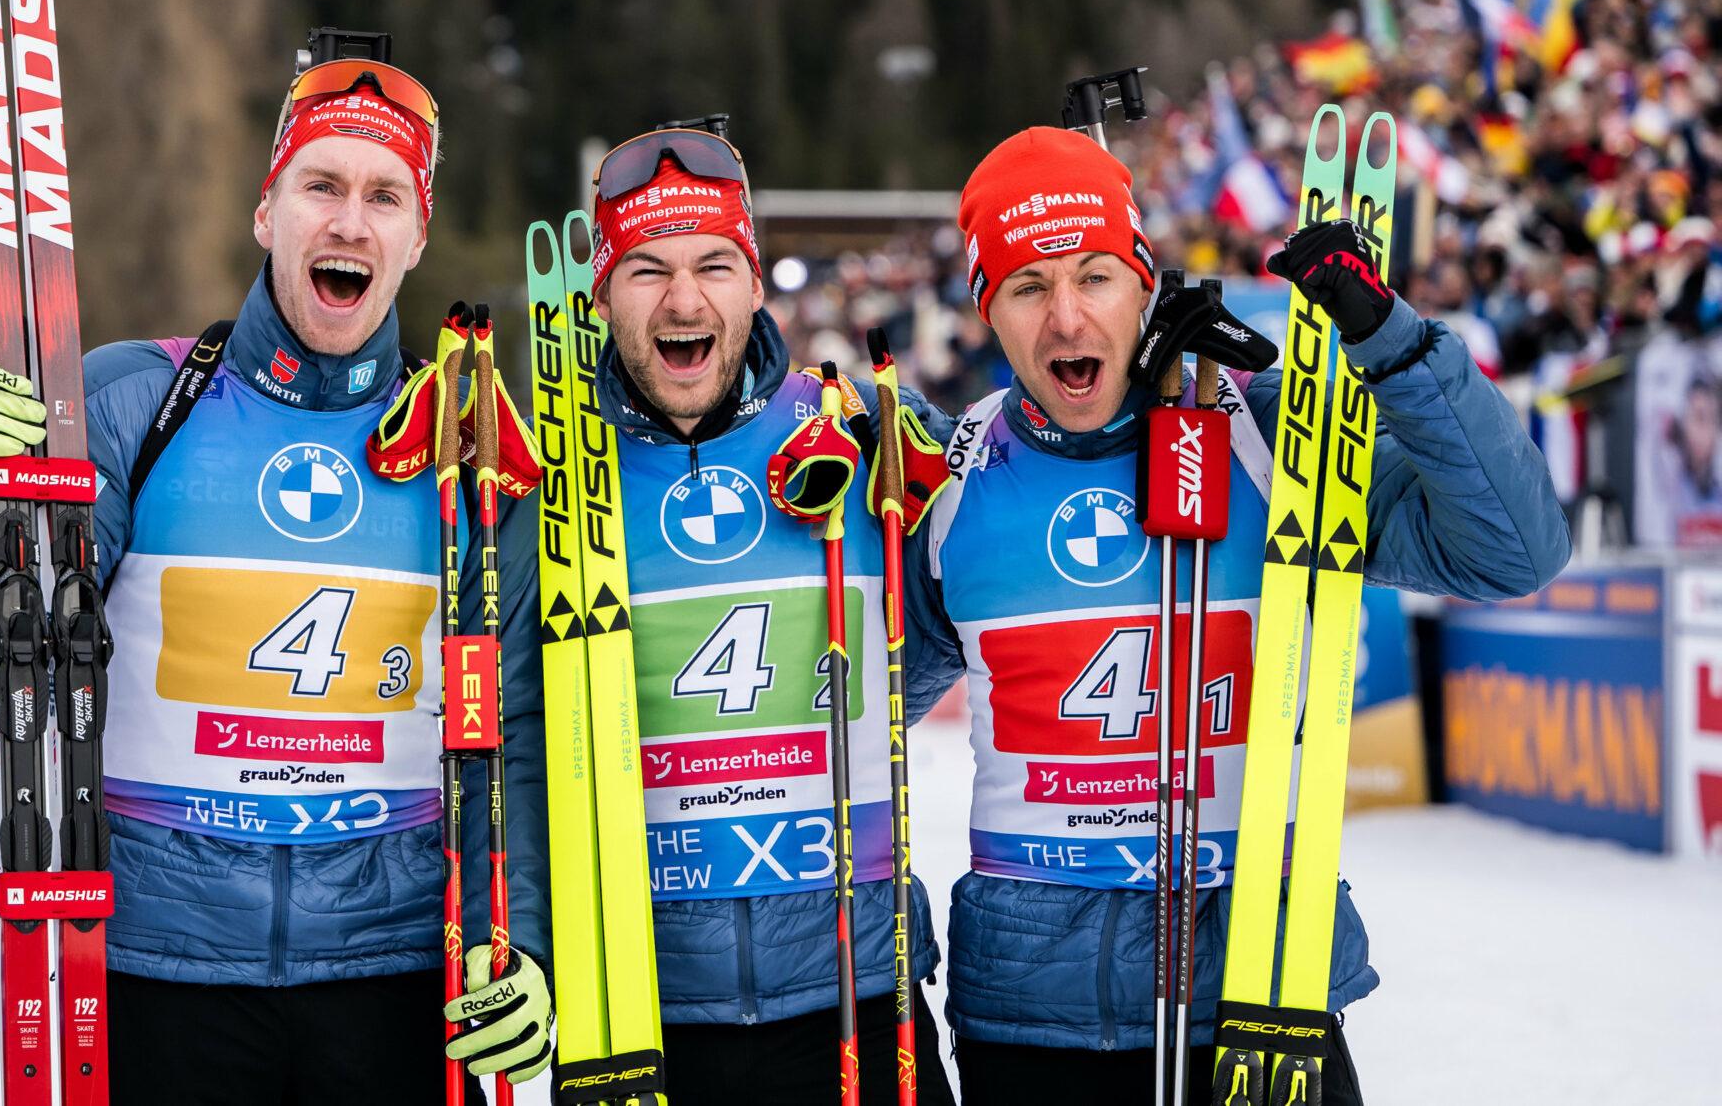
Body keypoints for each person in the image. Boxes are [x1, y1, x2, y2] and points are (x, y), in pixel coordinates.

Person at [0, 39, 553, 1103]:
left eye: (383, 196)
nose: (349, 221)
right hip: (152, 973)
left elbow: (517, 728)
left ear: (415, 234)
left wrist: (524, 941)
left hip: (392, 979)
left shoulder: (472, 446)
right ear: (267, 213)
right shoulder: (130, 403)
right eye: (321, 186)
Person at [900, 126, 1570, 1105]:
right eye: (1027, 288)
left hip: (1260, 994)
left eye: (1093, 276)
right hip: (1032, 1018)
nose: (1065, 317)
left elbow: (1514, 550)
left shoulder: (1270, 434)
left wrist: (1388, 341)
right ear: (985, 315)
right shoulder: (950, 480)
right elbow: (850, 715)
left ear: (1145, 283)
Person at [579, 120, 952, 1106]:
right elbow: (526, 736)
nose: (684, 299)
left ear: (755, 282)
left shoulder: (857, 435)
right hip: (644, 1009)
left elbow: (980, 585)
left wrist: (1163, 400)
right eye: (646, 270)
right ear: (599, 294)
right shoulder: (554, 481)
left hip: (855, 994)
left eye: (714, 265)